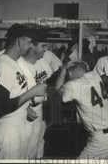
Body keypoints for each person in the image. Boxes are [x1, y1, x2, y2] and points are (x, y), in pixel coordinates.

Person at [0, 23, 47, 159]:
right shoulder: (3, 65)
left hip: (16, 127)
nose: (29, 47)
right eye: (28, 42)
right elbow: (2, 106)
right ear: (20, 41)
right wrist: (32, 92)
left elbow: (14, 93)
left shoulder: (14, 62)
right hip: (7, 132)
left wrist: (25, 108)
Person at [55, 61, 108, 159]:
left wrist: (64, 69)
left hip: (102, 138)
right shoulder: (95, 76)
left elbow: (57, 90)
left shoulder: (74, 85)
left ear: (71, 73)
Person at [17, 30, 62, 159]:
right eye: (43, 46)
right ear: (31, 46)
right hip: (25, 111)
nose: (46, 49)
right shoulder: (18, 65)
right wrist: (25, 107)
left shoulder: (41, 60)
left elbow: (48, 80)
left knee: (38, 145)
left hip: (40, 108)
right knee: (26, 150)